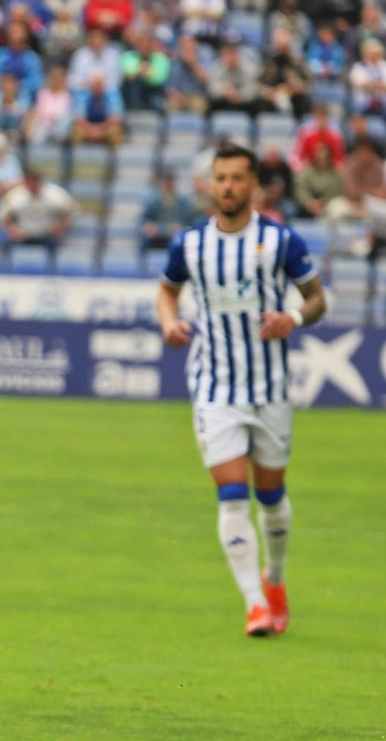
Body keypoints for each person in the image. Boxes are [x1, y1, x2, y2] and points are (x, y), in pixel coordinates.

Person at [156, 143, 328, 637]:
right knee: (232, 494)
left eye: (237, 178)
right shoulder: (190, 245)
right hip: (214, 387)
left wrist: (292, 318)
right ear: (211, 184)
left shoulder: (280, 241)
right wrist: (169, 322)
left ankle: (275, 579)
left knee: (271, 496)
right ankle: (255, 605)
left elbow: (317, 299)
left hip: (270, 388)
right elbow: (167, 290)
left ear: (254, 185)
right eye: (221, 178)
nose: (228, 186)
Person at [0, 167, 76, 246]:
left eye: (33, 182)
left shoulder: (55, 194)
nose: (31, 185)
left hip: (49, 237)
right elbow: (2, 215)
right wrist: (12, 230)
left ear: (39, 181)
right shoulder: (16, 195)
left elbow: (70, 211)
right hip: (22, 237)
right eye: (29, 182)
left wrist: (60, 226)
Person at [141, 170, 192, 249]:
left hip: (177, 236)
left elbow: (189, 221)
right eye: (165, 182)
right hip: (157, 236)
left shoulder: (183, 202)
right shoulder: (154, 201)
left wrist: (181, 228)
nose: (167, 185)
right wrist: (149, 226)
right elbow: (144, 218)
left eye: (169, 182)